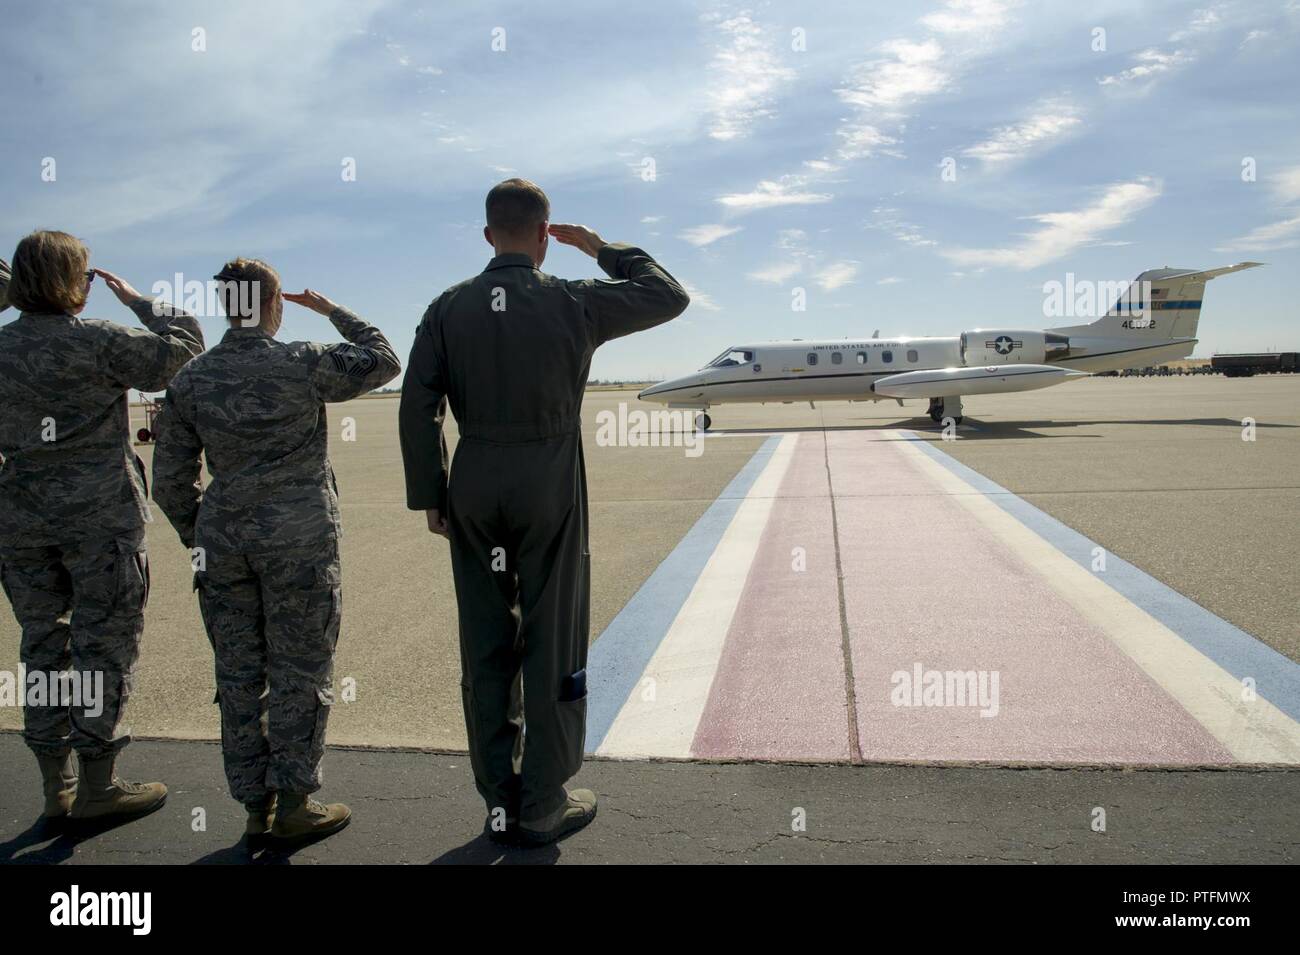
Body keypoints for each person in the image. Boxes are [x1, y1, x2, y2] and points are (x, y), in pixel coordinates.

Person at [399, 178, 690, 846]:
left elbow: (416, 404)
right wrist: (602, 249)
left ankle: (500, 799)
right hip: (548, 478)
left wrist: (431, 493)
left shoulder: (447, 308)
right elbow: (668, 295)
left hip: (474, 480)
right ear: (542, 236)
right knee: (552, 636)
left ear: (486, 235)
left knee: (485, 642)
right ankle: (544, 800)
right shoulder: (572, 300)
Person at [151, 258, 400, 844]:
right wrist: (334, 310)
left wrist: (202, 534)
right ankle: (294, 801)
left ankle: (252, 806)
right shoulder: (303, 361)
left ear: (224, 305)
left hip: (224, 545)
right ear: (273, 304)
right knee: (301, 668)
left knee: (238, 672)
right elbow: (384, 359)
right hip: (300, 543)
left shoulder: (191, 379)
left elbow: (168, 482)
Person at [0, 230, 203, 823]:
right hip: (101, 522)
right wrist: (140, 300)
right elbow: (184, 348)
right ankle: (98, 785)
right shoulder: (99, 343)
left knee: (42, 644)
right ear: (75, 284)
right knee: (104, 649)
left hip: (21, 523)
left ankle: (53, 788)